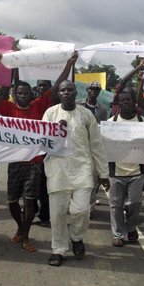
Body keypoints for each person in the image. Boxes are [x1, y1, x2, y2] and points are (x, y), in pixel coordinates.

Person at [0, 52, 77, 253]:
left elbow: (56, 86)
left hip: (35, 162)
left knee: (29, 200)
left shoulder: (39, 106)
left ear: (31, 94)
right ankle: (21, 227)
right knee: (12, 202)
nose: (22, 95)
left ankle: (26, 236)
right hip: (14, 161)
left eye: (25, 93)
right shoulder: (8, 108)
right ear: (14, 94)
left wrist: (69, 65)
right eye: (18, 93)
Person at [43, 80, 109, 266]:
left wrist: (103, 172)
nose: (66, 93)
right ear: (59, 94)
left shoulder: (86, 114)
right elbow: (43, 141)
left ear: (75, 92)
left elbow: (96, 145)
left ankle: (76, 237)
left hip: (82, 169)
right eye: (62, 90)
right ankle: (58, 249)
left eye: (69, 90)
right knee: (57, 214)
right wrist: (57, 131)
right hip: (58, 170)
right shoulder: (51, 113)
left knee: (81, 210)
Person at [106, 89, 144, 247]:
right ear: (118, 104)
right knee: (115, 205)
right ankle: (118, 234)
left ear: (134, 102)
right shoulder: (111, 123)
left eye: (128, 100)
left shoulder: (142, 121)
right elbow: (105, 148)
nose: (125, 103)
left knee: (135, 203)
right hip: (116, 172)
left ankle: (131, 227)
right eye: (122, 100)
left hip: (137, 172)